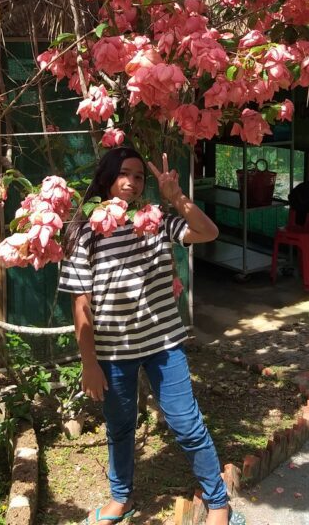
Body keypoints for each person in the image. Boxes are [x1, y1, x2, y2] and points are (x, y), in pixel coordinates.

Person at [59, 147, 243, 525]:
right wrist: (89, 363)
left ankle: (219, 503)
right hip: (113, 351)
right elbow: (81, 305)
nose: (131, 182)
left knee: (185, 423)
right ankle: (120, 498)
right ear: (108, 177)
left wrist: (176, 197)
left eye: (139, 176)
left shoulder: (154, 219)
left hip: (163, 343)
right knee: (121, 425)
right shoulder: (83, 230)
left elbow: (208, 231)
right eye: (124, 173)